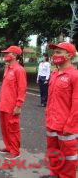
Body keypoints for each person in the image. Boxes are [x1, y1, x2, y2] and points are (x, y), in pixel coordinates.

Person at [45, 42, 78, 178]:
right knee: (53, 153)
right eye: (55, 52)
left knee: (69, 158)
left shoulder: (74, 75)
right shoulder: (54, 73)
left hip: (66, 126)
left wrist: (70, 125)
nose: (55, 55)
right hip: (51, 123)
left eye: (59, 52)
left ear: (69, 55)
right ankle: (55, 174)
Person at [0, 45, 27, 160]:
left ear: (14, 55)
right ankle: (8, 147)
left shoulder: (19, 70)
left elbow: (22, 89)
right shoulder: (8, 68)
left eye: (7, 53)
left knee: (13, 128)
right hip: (3, 104)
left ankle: (15, 150)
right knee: (4, 128)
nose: (5, 55)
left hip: (12, 106)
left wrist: (19, 105)